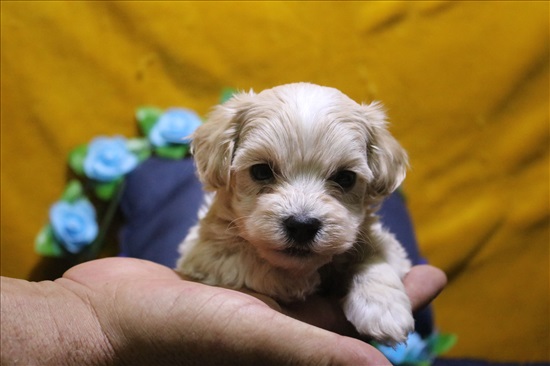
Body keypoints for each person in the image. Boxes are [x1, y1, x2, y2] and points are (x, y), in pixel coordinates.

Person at [1, 257, 446, 365]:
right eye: (264, 172)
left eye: (343, 180)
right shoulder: (214, 242)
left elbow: (386, 255)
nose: (302, 210)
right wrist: (89, 318)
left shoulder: (367, 243)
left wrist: (372, 273)